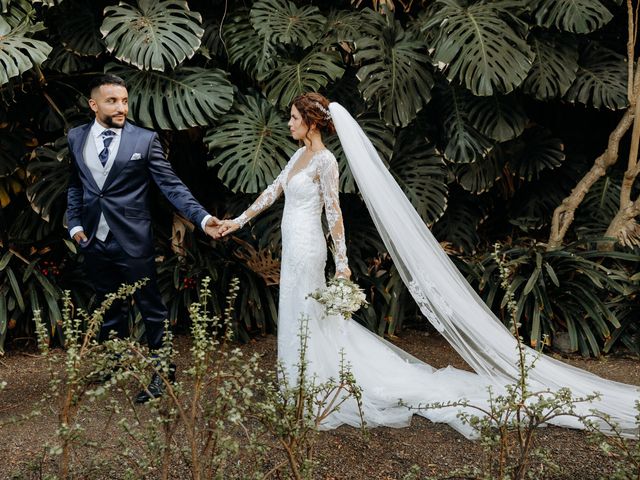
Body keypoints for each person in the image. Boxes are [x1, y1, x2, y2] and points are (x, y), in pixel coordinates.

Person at [216, 93, 639, 438]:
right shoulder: (297, 160)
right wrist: (235, 222)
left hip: (309, 249)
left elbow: (334, 215)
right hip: (292, 247)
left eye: (293, 118)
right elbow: (272, 192)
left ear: (311, 122)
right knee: (295, 310)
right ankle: (298, 383)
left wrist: (342, 264)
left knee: (308, 312)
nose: (288, 124)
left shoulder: (326, 162)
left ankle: (312, 386)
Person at [66, 74, 220, 403]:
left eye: (124, 100)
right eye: (112, 101)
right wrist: (74, 224)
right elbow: (76, 185)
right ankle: (116, 359)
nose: (121, 107)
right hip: (93, 238)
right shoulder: (75, 137)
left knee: (150, 307)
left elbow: (172, 186)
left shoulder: (143, 140)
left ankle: (163, 373)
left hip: (133, 239)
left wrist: (202, 218)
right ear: (94, 104)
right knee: (110, 304)